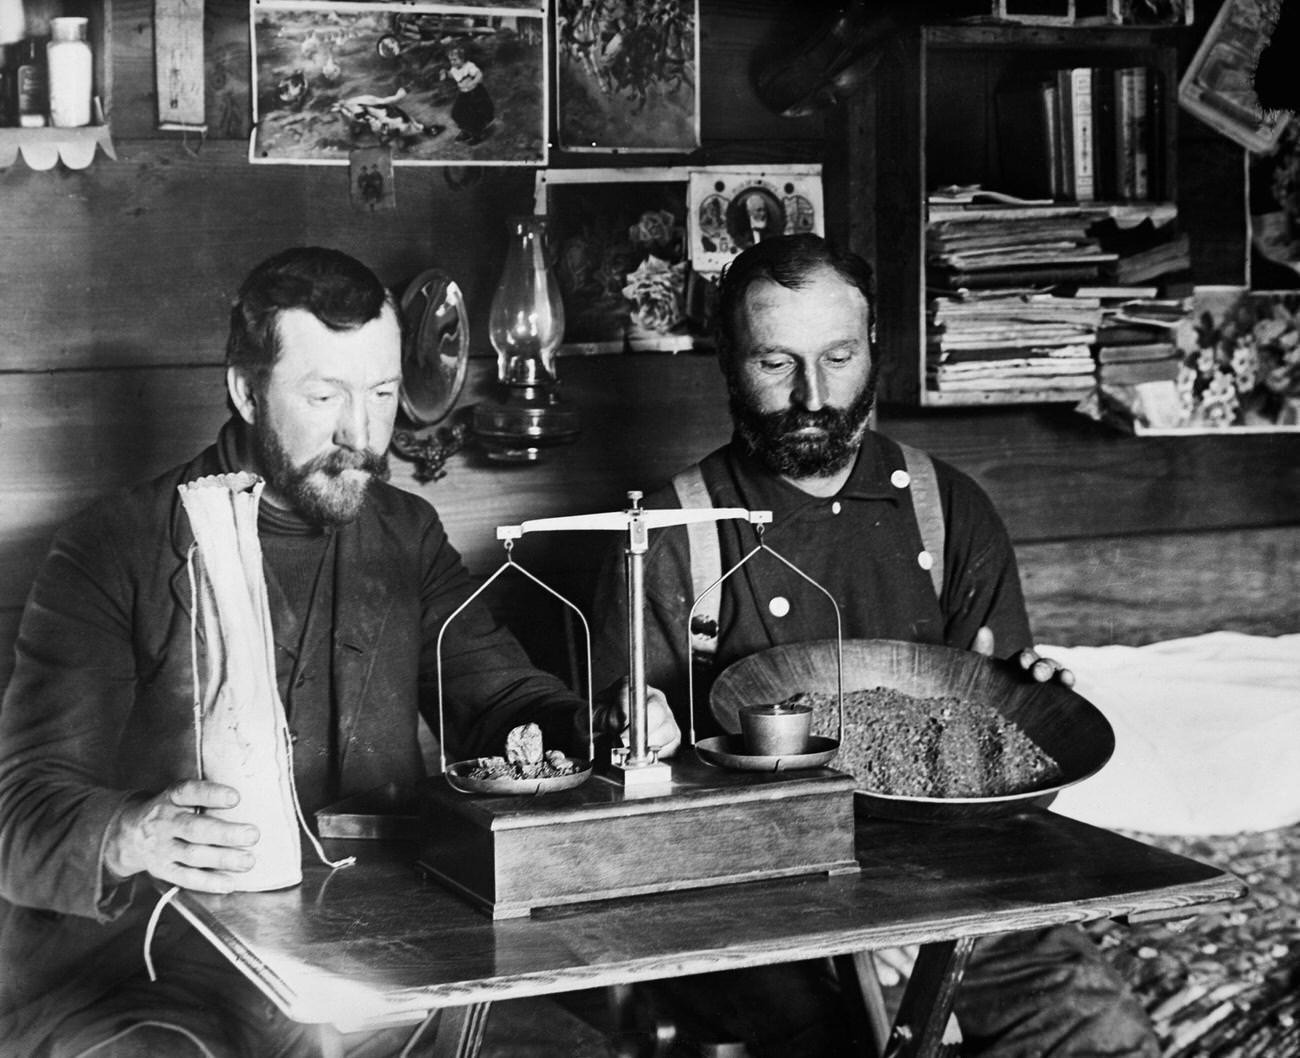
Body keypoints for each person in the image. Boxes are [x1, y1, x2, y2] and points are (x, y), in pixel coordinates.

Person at [0, 246, 671, 1058]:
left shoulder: (406, 534)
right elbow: (21, 811)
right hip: (163, 968)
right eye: (323, 396)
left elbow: (502, 704)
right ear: (247, 391)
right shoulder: (113, 548)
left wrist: (602, 723)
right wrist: (131, 833)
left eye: (383, 394)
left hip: (380, 954)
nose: (361, 434)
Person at [587, 233, 1159, 1058]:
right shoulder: (672, 535)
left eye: (840, 356)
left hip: (955, 881)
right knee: (849, 1038)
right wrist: (844, 919)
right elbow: (629, 807)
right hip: (757, 895)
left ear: (874, 352)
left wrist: (1031, 702)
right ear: (726, 362)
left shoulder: (947, 507)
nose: (814, 395)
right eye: (776, 363)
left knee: (1099, 1029)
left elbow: (995, 767)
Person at [445, 44, 494, 146]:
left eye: (455, 60)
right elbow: (452, 74)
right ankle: (466, 131)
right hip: (464, 94)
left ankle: (477, 134)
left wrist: (474, 82)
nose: (452, 62)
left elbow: (479, 74)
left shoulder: (469, 66)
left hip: (475, 93)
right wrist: (445, 74)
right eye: (450, 60)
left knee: (472, 114)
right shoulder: (454, 68)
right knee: (457, 112)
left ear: (463, 59)